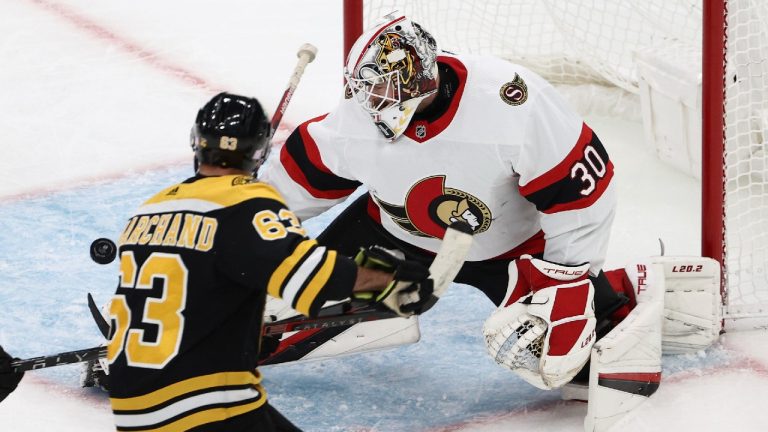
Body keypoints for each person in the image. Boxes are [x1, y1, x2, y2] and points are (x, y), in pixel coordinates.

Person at [259, 12, 627, 389]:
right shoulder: (358, 117)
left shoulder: (511, 103)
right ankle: (388, 294)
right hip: (394, 238)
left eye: (382, 88)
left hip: (511, 253)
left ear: (416, 79)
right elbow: (302, 176)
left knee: (573, 365)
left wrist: (567, 277)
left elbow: (581, 195)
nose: (369, 101)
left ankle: (615, 305)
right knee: (295, 295)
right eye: (365, 88)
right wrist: (245, 213)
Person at [105, 92, 434, 431]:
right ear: (259, 151)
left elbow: (198, 286)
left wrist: (243, 333)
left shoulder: (149, 210)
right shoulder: (247, 203)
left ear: (197, 142)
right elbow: (313, 278)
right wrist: (388, 281)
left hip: (133, 409)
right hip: (205, 405)